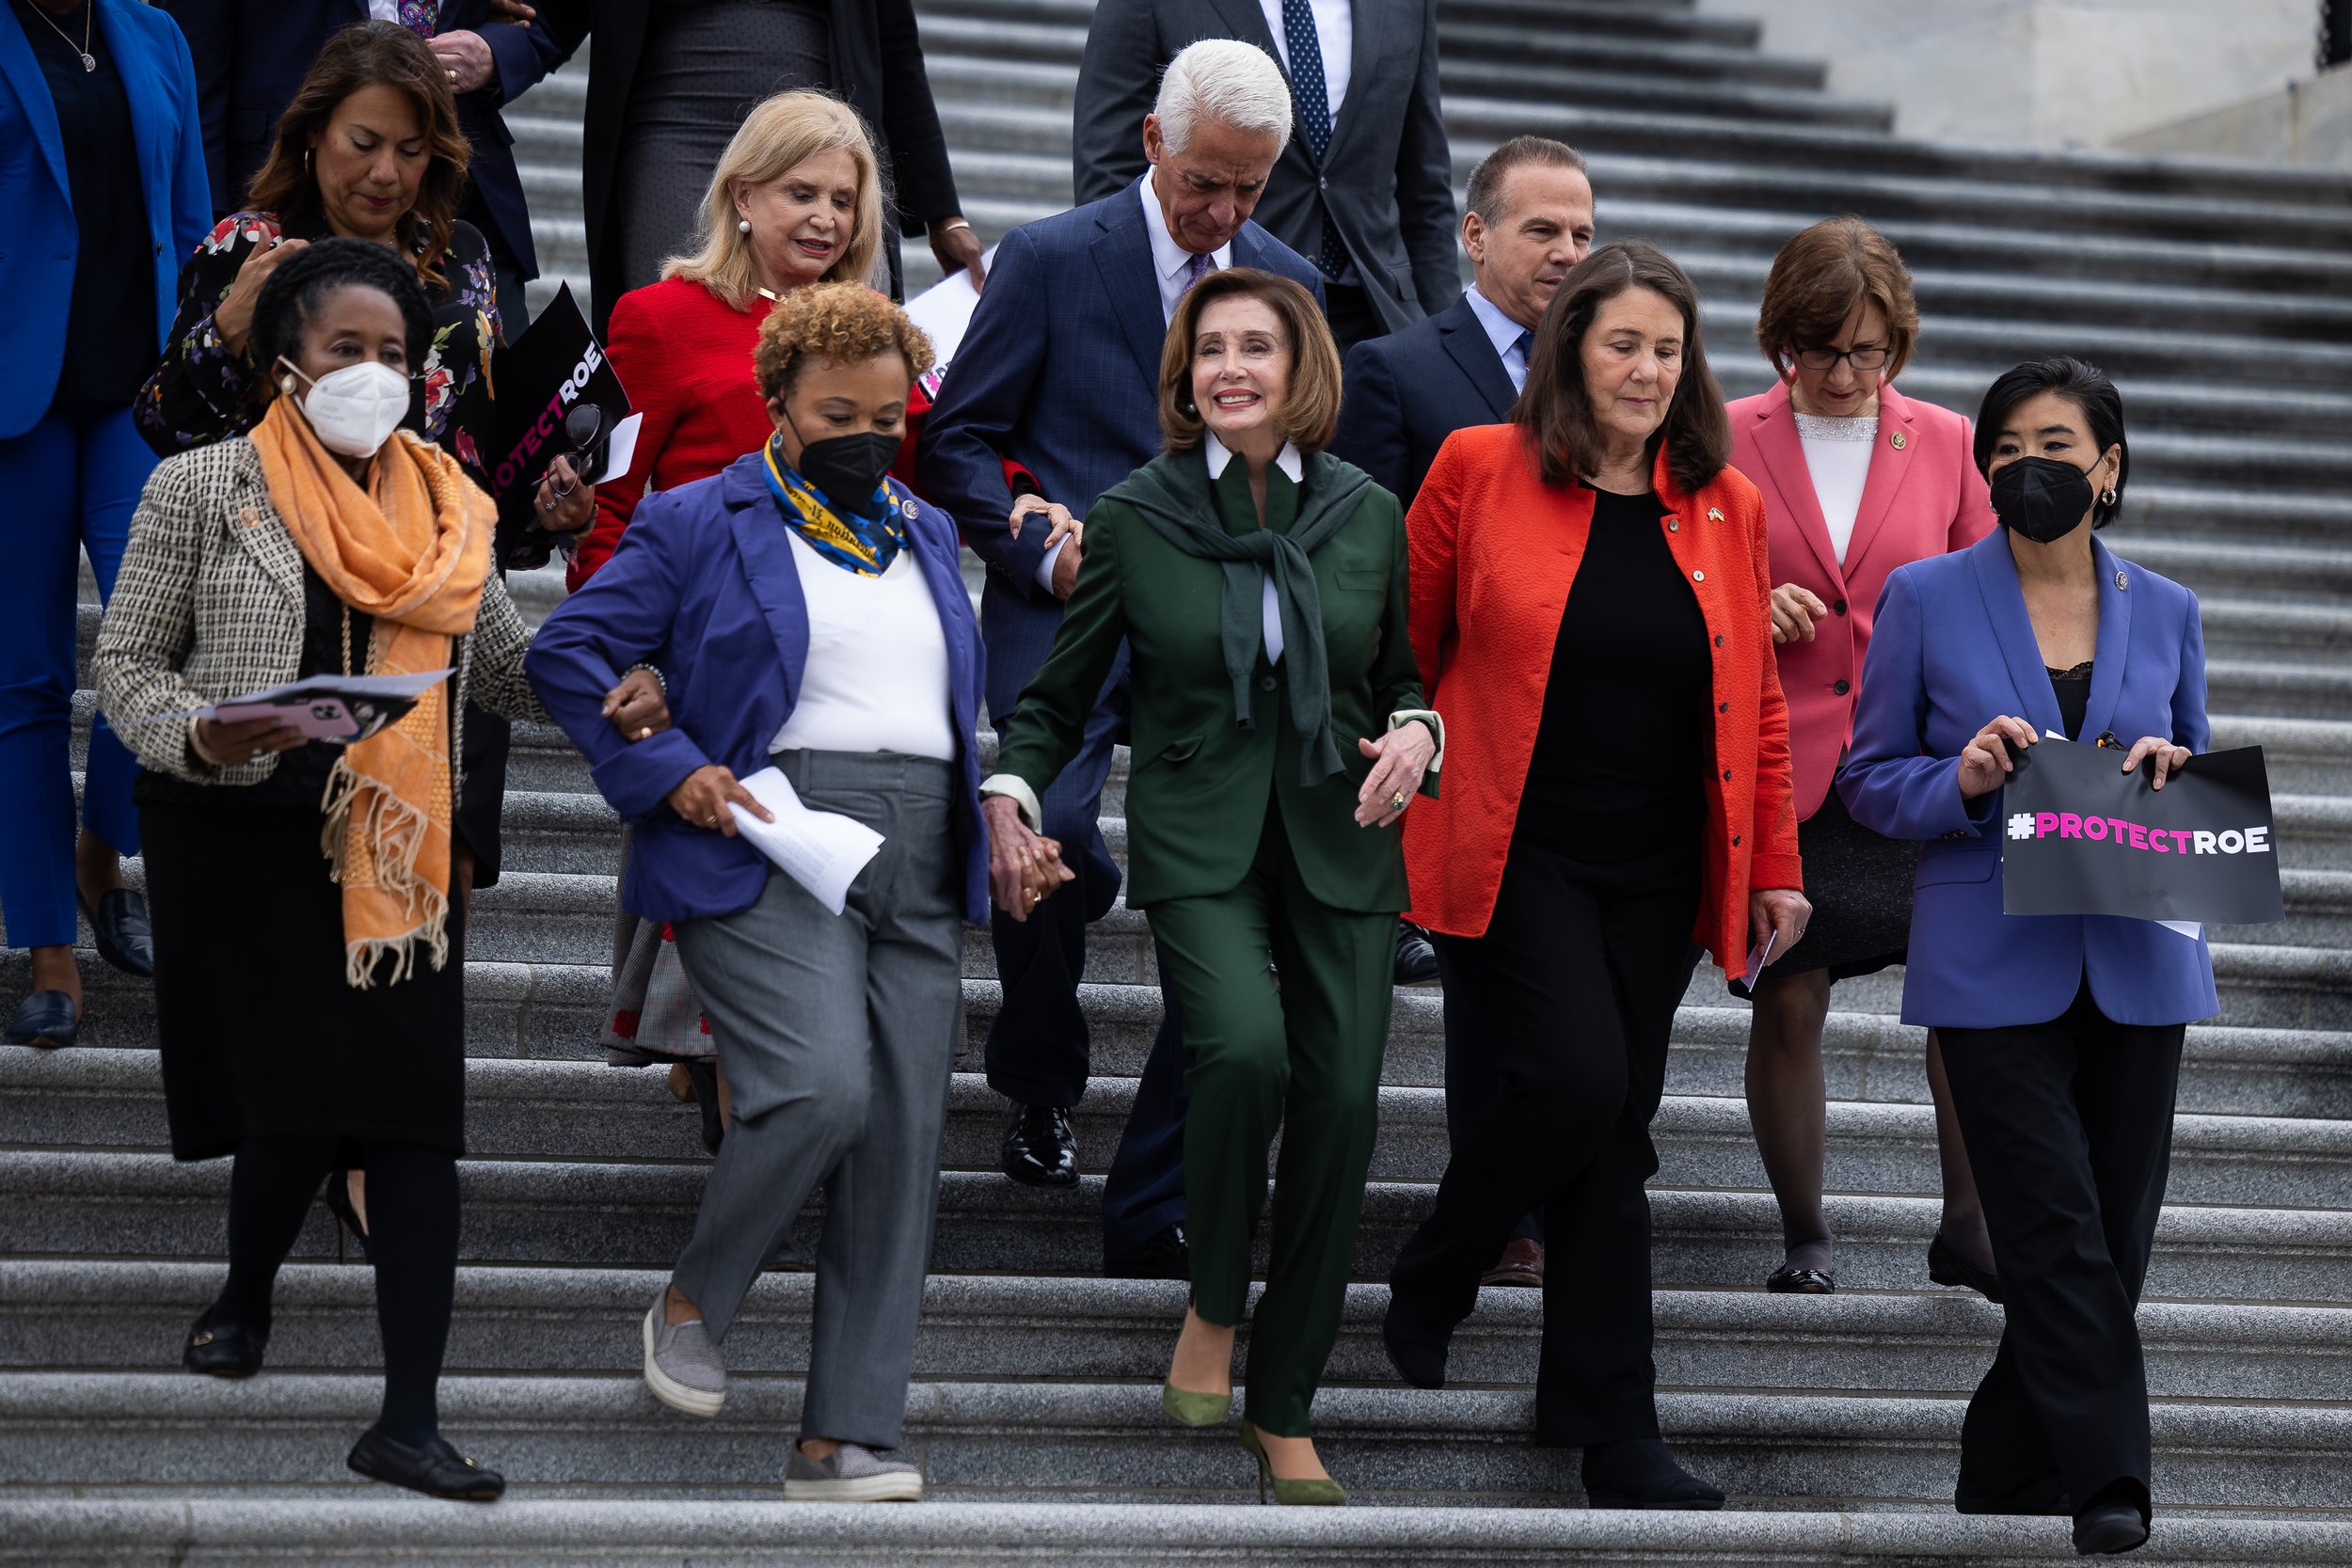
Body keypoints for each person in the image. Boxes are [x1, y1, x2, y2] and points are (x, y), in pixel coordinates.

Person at [92, 239, 548, 1499]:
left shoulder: (452, 498)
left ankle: (407, 1418)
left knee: (409, 1120)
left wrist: (611, 674)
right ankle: (245, 1290)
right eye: (348, 348)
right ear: (288, 359)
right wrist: (204, 727)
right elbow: (127, 663)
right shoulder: (200, 486)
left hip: (396, 839)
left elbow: (502, 665)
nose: (375, 371)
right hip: (237, 819)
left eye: (395, 352)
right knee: (294, 1103)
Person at [526, 282, 990, 1503]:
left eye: (887, 415)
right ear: (778, 400)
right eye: (839, 411)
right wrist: (667, 767)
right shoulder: (698, 517)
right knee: (822, 1083)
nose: (866, 434)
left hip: (921, 850)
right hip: (769, 833)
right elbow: (565, 647)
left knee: (900, 1135)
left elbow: (949, 705)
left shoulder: (926, 530)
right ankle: (695, 1295)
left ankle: (844, 1435)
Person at [984, 267, 1437, 1504]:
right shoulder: (1135, 514)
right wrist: (1010, 794)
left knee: (1343, 1108)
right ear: (1184, 375)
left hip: (1342, 833)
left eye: (1258, 345)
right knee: (1241, 1050)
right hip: (1200, 832)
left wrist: (1418, 733)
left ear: (1305, 370)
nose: (1231, 366)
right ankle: (1216, 1303)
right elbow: (1062, 693)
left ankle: (1284, 1404)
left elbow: (1402, 676)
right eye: (1210, 348)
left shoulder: (1365, 512)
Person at [1380, 241, 1808, 1512]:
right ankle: (1440, 1266)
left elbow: (1758, 703)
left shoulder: (1723, 499)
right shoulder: (1477, 467)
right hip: (1513, 841)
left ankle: (1611, 1421)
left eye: (1666, 349)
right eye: (1622, 342)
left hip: (1660, 860)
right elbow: (1398, 647)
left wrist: (1775, 862)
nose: (1645, 367)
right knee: (1579, 1080)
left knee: (1615, 1136)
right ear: (1570, 346)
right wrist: (1405, 734)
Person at [917, 38, 1320, 1272]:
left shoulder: (1286, 277)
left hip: (1225, 621)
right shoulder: (1046, 257)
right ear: (1152, 142)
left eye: (1252, 188)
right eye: (1207, 182)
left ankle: (1179, 1143)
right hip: (1071, 599)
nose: (1226, 214)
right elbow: (960, 442)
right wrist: (1036, 545)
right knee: (1052, 831)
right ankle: (1040, 1076)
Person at [1841, 356, 2214, 1557]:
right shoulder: (1924, 595)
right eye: (2003, 447)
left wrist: (2165, 764)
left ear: (2107, 467)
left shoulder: (2167, 606)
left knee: (2117, 1225)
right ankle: (2112, 1481)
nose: (2024, 465)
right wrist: (1962, 774)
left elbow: (2196, 769)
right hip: (1990, 955)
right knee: (2049, 1222)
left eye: (2053, 444)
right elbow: (1865, 777)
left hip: (2136, 944)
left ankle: (2002, 1469)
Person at [562, 89, 885, 1132]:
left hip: (843, 656)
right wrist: (629, 650)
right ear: (741, 194)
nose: (825, 218)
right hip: (709, 659)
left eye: (844, 198)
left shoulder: (875, 332)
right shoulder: (658, 318)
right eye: (801, 192)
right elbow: (612, 509)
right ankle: (740, 1107)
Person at [1331, 131, 1593, 1289]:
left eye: (1583, 233)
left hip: (1585, 731)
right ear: (1475, 234)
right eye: (1543, 229)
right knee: (1489, 979)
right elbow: (1367, 564)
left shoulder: (1611, 372)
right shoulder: (1394, 369)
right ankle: (1501, 1210)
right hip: (1451, 725)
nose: (1568, 251)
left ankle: (1552, 1195)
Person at [1726, 217, 1999, 1298]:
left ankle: (1969, 1223)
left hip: (1913, 763)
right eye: (1819, 349)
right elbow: (1673, 567)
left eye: (1866, 350)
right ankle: (1805, 1231)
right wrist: (1747, 603)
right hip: (1783, 763)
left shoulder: (1942, 439)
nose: (1843, 373)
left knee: (1960, 994)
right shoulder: (1722, 433)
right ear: (1779, 339)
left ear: (1897, 344)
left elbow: (1987, 593)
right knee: (1790, 996)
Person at [0, 0, 211, 1049]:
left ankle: (101, 848)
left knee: (159, 633)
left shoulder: (151, 31)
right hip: (13, 403)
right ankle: (44, 945)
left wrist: (206, 370)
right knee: (28, 677)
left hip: (144, 394)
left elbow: (189, 225)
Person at [536, 0, 981, 323]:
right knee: (677, 320)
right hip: (676, 125)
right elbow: (549, 19)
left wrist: (944, 216)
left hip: (814, 131)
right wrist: (492, 43)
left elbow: (896, 46)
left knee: (839, 342)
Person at [1074, 0, 1456, 356]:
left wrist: (1447, 336)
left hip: (1378, 315)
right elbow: (1108, 164)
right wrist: (1135, 310)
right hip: (1219, 302)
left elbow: (1425, 186)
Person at [160, 0, 565, 333]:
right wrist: (203, 232)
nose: (386, 172)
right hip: (293, 203)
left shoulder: (470, 251)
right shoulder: (241, 241)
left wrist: (497, 50)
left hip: (462, 191)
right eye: (366, 143)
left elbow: (554, 16)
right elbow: (191, 71)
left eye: (405, 149)